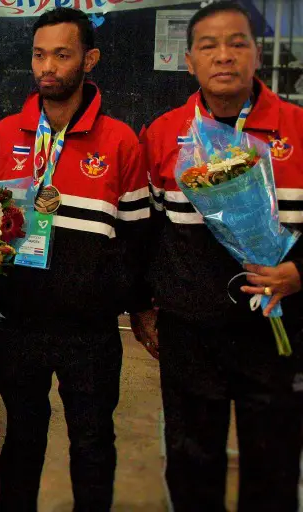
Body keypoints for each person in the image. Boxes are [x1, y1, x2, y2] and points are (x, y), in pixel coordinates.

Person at [136, 2, 303, 509]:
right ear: (189, 60)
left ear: (256, 55)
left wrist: (299, 272)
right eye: (209, 46)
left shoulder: (298, 127)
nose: (223, 56)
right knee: (192, 464)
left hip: (279, 329)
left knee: (273, 466)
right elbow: (149, 232)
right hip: (191, 334)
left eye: (237, 43)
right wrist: (143, 304)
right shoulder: (163, 134)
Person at [0, 8, 149, 510]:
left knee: (94, 446)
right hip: (19, 326)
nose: (48, 66)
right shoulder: (5, 134)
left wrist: (123, 299)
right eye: (39, 54)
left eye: (62, 53)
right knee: (20, 444)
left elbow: (138, 236)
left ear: (89, 59)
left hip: (90, 333)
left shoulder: (121, 140)